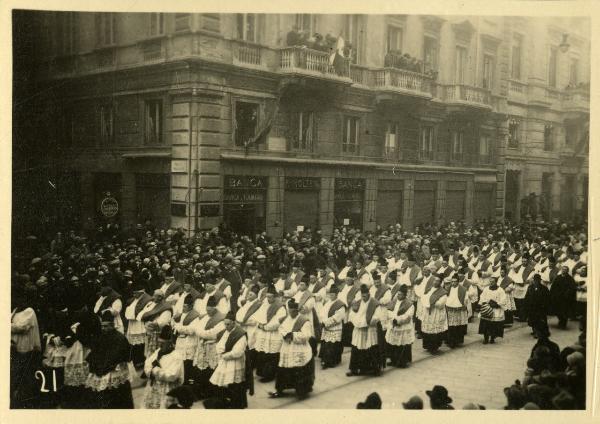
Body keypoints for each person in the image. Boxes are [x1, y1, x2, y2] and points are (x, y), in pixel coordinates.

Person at [85, 311, 134, 409]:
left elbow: (120, 355)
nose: (104, 329)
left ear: (112, 325)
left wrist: (105, 366)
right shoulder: (100, 336)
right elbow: (94, 353)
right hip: (101, 369)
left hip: (114, 371)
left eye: (106, 326)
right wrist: (95, 365)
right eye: (102, 326)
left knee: (116, 400)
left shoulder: (119, 338)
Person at [269, 299, 314, 399]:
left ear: (297, 310)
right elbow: (281, 328)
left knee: (299, 369)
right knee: (283, 368)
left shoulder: (304, 320)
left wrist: (293, 335)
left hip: (299, 347)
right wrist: (284, 335)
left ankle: (301, 392)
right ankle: (280, 390)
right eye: (290, 311)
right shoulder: (286, 318)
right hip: (287, 347)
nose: (292, 313)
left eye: (294, 311)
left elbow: (307, 335)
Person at [209, 311, 252, 409]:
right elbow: (219, 345)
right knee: (222, 383)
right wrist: (222, 352)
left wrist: (224, 355)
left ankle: (238, 404)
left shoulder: (240, 334)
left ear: (234, 322)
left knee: (236, 385)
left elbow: (238, 352)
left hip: (235, 362)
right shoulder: (224, 332)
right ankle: (226, 402)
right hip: (225, 361)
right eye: (225, 324)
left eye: (228, 324)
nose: (226, 326)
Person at [10, 287, 42, 409]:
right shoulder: (15, 311)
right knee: (17, 371)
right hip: (14, 344)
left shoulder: (29, 311)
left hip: (25, 345)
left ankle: (24, 396)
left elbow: (22, 327)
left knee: (24, 371)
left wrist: (8, 325)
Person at [142, 324, 185, 409]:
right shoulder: (158, 352)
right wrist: (150, 370)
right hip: (154, 387)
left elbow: (172, 375)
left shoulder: (176, 356)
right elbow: (147, 363)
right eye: (159, 343)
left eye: (163, 344)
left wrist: (155, 371)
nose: (160, 346)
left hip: (168, 389)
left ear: (170, 344)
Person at [191, 295, 225, 399]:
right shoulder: (205, 317)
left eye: (210, 309)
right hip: (202, 346)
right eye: (207, 309)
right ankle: (201, 391)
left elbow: (213, 334)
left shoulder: (221, 318)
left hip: (212, 347)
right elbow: (196, 327)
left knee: (211, 369)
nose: (208, 311)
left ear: (215, 308)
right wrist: (201, 332)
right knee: (201, 370)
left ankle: (209, 393)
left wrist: (200, 333)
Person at [347, 284, 382, 377]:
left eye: (365, 295)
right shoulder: (358, 302)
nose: (364, 297)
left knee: (371, 348)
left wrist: (367, 322)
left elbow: (377, 316)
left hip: (369, 329)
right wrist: (357, 322)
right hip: (358, 329)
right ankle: (354, 369)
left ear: (369, 293)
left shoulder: (374, 303)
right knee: (356, 348)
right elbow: (352, 314)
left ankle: (374, 369)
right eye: (362, 295)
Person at [254, 284, 287, 382]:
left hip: (274, 333)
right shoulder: (265, 304)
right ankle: (263, 373)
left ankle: (270, 375)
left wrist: (265, 327)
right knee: (263, 353)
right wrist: (260, 324)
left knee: (272, 355)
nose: (268, 298)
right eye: (267, 296)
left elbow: (277, 322)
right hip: (263, 332)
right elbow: (257, 316)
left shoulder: (280, 307)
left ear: (275, 296)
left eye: (270, 297)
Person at [172, 294, 201, 385]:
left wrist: (178, 327)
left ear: (191, 306)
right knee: (180, 362)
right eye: (183, 306)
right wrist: (177, 327)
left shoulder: (195, 316)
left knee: (188, 363)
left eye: (185, 306)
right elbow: (174, 325)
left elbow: (191, 330)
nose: (183, 308)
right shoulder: (182, 315)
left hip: (189, 342)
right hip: (181, 342)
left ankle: (189, 383)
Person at [385, 285, 414, 368]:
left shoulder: (409, 304)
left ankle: (402, 361)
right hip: (393, 325)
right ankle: (394, 360)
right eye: (398, 294)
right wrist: (392, 318)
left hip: (403, 326)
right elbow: (389, 310)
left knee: (402, 344)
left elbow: (408, 316)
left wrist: (397, 320)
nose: (398, 296)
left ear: (405, 295)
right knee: (393, 343)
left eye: (400, 295)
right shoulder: (394, 301)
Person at [124, 283, 152, 368]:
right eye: (133, 293)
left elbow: (146, 312)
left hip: (140, 324)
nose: (134, 295)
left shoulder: (148, 300)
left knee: (141, 343)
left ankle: (140, 361)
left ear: (141, 293)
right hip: (133, 323)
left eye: (135, 293)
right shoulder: (134, 299)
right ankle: (135, 360)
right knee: (133, 343)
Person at [140, 290, 173, 359]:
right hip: (149, 331)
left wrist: (152, 323)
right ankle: (148, 365)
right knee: (148, 351)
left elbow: (163, 321)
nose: (152, 297)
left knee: (156, 352)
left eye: (154, 296)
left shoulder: (166, 307)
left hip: (158, 333)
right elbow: (144, 313)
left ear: (160, 297)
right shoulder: (151, 304)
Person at [318, 284, 346, 369]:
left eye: (333, 294)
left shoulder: (340, 304)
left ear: (337, 294)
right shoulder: (327, 303)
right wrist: (323, 321)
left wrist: (326, 323)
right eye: (330, 294)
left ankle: (332, 361)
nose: (331, 295)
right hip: (326, 327)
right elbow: (322, 313)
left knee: (333, 345)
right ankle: (325, 359)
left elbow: (338, 317)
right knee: (326, 344)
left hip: (334, 327)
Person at [235, 284, 261, 372]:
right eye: (248, 294)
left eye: (251, 295)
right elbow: (240, 312)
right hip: (243, 327)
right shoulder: (247, 303)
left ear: (256, 295)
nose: (248, 296)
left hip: (252, 328)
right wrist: (239, 320)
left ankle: (251, 366)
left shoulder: (258, 304)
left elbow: (255, 320)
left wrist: (243, 321)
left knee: (251, 345)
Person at [420, 276, 447, 353]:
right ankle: (427, 346)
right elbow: (423, 297)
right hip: (428, 311)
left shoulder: (443, 292)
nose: (435, 282)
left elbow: (441, 304)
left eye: (437, 281)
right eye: (434, 280)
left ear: (440, 282)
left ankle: (434, 347)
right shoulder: (429, 289)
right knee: (427, 328)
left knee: (434, 330)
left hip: (436, 312)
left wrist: (430, 301)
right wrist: (428, 301)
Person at [479, 276, 506, 344]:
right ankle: (486, 338)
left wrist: (497, 304)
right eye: (490, 282)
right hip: (487, 309)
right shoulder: (486, 289)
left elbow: (503, 299)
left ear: (496, 282)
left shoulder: (500, 290)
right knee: (486, 324)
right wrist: (486, 302)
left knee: (494, 325)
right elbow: (482, 296)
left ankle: (492, 338)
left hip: (496, 310)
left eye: (492, 282)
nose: (491, 283)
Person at [445, 274, 469, 348]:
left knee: (458, 326)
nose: (453, 283)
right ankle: (451, 342)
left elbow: (466, 299)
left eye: (455, 282)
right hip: (450, 309)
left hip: (459, 309)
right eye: (452, 282)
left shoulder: (463, 289)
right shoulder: (448, 288)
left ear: (458, 282)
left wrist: (464, 305)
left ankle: (458, 341)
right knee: (451, 326)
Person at [525, 273, 551, 338]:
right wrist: (526, 305)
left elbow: (547, 298)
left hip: (540, 307)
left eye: (537, 280)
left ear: (540, 280)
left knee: (540, 320)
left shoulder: (544, 288)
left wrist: (545, 306)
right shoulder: (530, 287)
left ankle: (538, 332)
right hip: (532, 307)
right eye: (535, 280)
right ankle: (534, 330)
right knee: (532, 320)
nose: (536, 281)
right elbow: (527, 297)